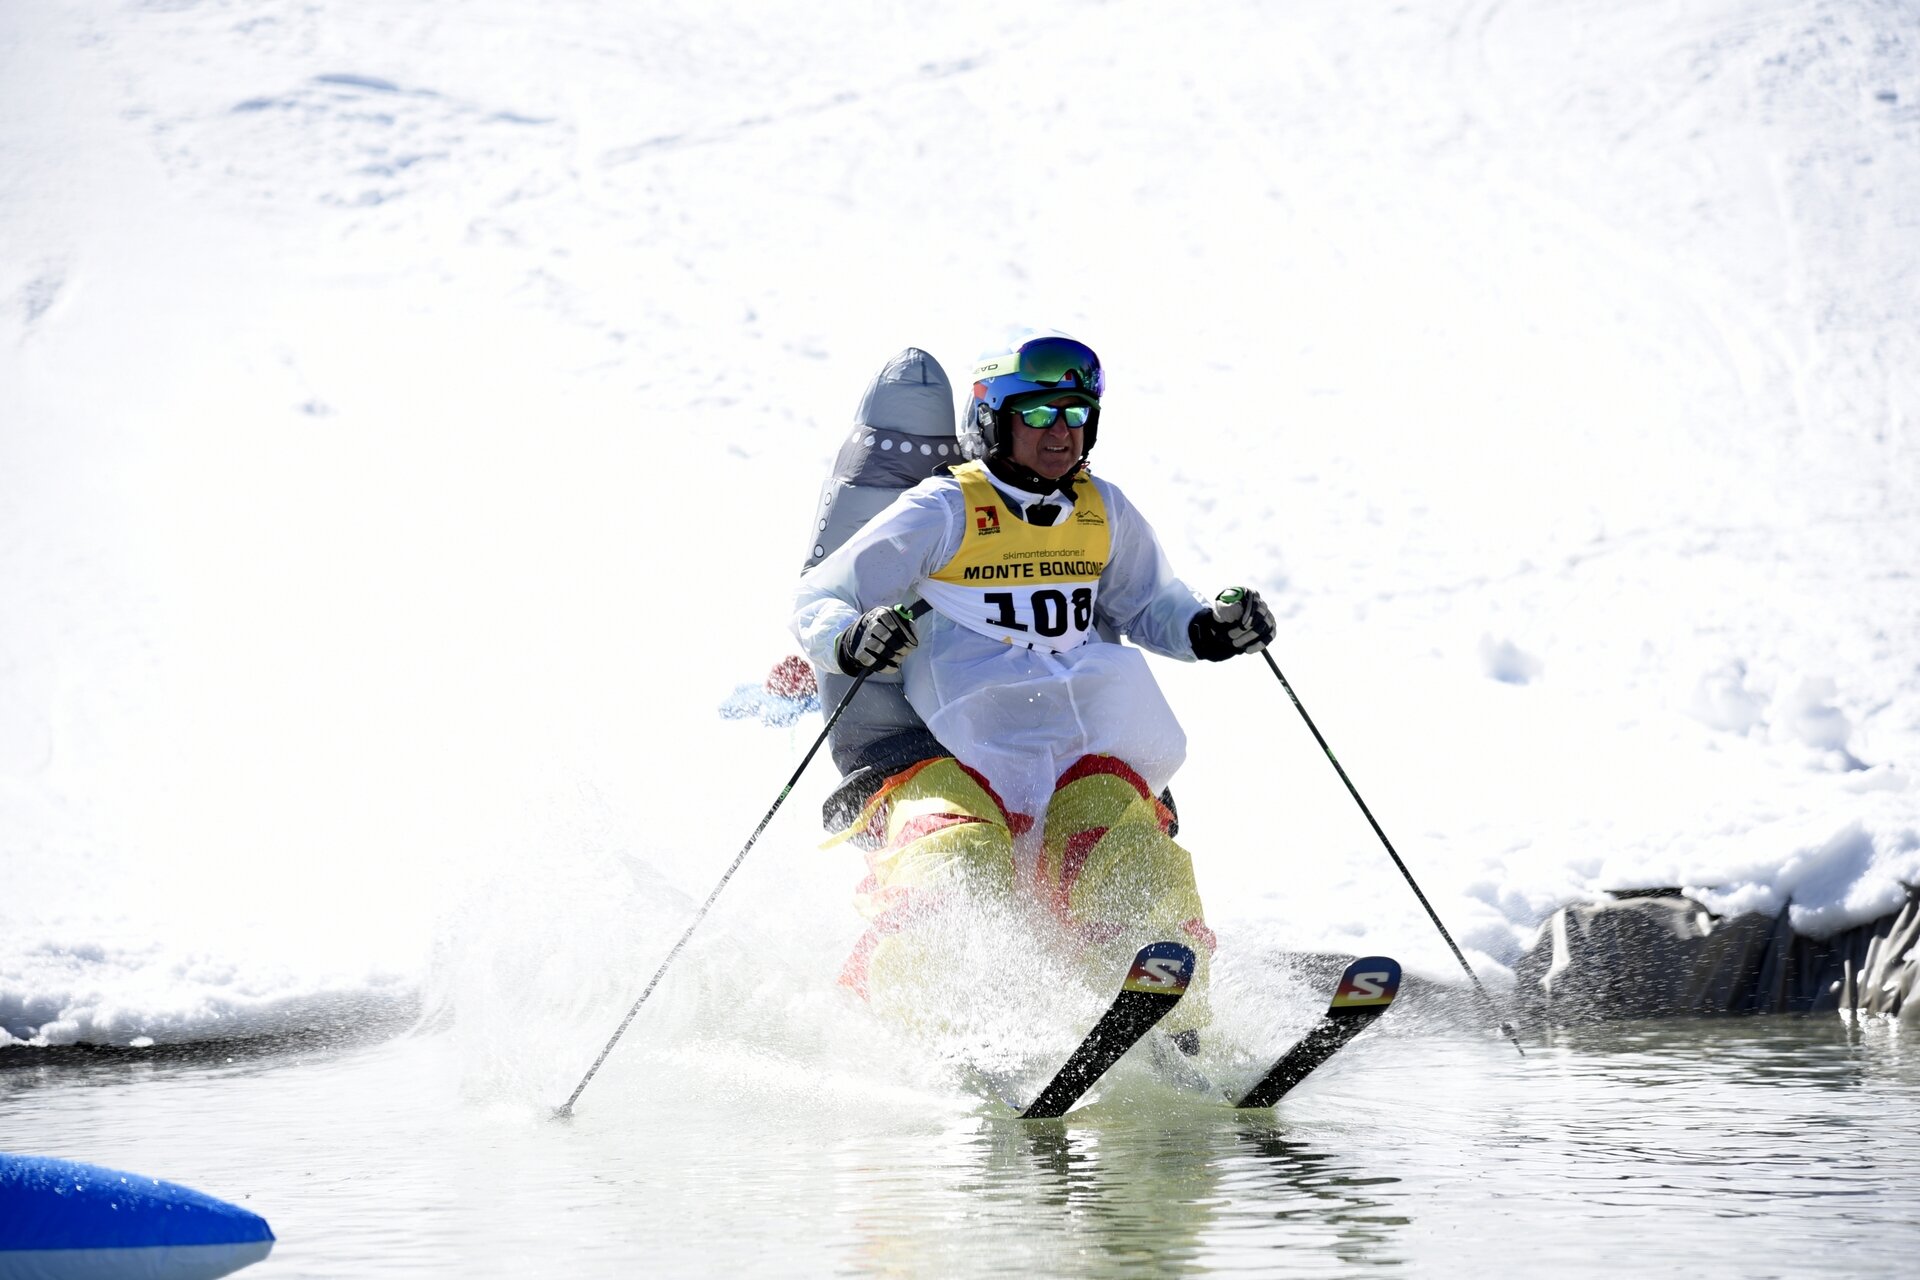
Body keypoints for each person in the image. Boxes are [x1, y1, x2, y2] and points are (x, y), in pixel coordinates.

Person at [790, 330, 1274, 1049]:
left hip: (1081, 735)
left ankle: (1169, 1032)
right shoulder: (944, 509)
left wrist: (1208, 629)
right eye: (1039, 416)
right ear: (994, 423)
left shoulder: (1101, 509)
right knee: (953, 858)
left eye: (1075, 416)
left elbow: (1151, 605)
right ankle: (924, 1030)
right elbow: (822, 596)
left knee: (1125, 849)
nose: (1061, 435)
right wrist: (850, 637)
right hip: (956, 735)